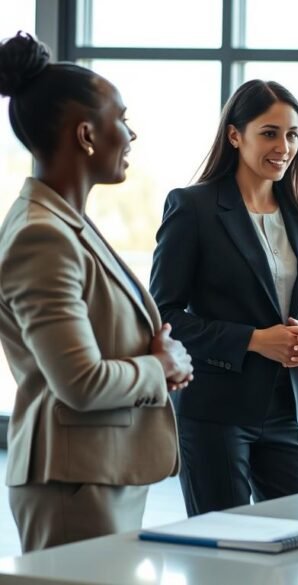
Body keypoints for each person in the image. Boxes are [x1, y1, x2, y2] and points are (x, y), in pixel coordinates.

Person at [0, 32, 192, 552]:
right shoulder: (42, 235)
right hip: (72, 488)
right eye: (121, 120)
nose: (131, 134)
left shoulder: (65, 222)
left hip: (100, 477)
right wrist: (163, 367)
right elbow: (80, 382)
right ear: (86, 135)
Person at [149, 80, 298, 516]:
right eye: (269, 133)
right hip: (216, 411)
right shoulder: (192, 207)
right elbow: (163, 315)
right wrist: (253, 340)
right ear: (235, 135)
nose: (284, 146)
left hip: (288, 412)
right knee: (224, 552)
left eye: (292, 134)